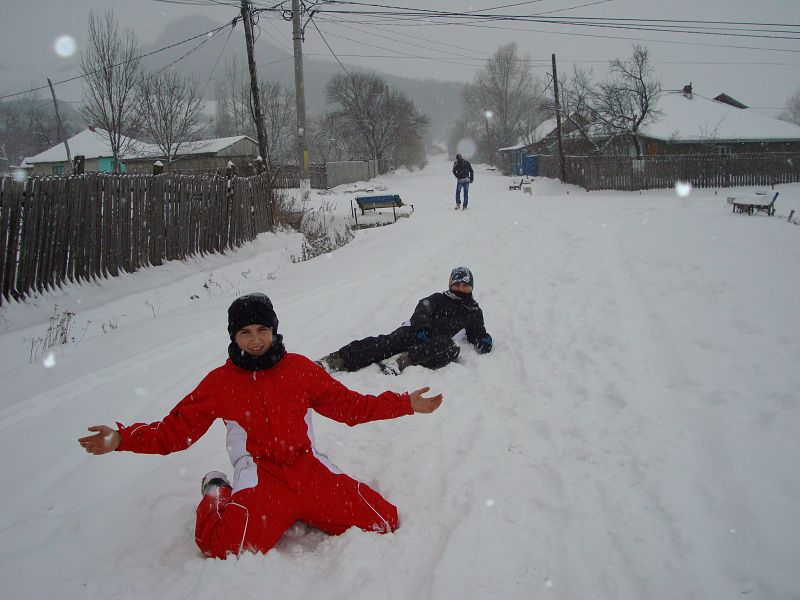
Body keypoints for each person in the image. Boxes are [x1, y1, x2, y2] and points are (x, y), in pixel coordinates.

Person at [78, 293, 443, 559]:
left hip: (306, 467)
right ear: (233, 337)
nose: (255, 340)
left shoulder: (300, 369)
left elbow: (350, 407)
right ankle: (218, 488)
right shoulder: (220, 383)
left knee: (384, 520)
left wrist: (404, 404)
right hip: (262, 477)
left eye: (262, 330)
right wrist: (123, 438)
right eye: (245, 333)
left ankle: (309, 506)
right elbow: (175, 431)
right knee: (220, 546)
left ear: (273, 331)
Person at [319, 267, 493, 375]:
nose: (461, 288)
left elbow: (477, 332)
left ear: (471, 287)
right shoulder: (439, 298)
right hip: (414, 332)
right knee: (385, 343)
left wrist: (483, 340)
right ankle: (335, 360)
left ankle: (402, 360)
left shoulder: (474, 311)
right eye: (457, 284)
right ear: (450, 285)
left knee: (452, 347)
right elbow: (422, 309)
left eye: (465, 285)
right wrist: (421, 327)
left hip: (436, 343)